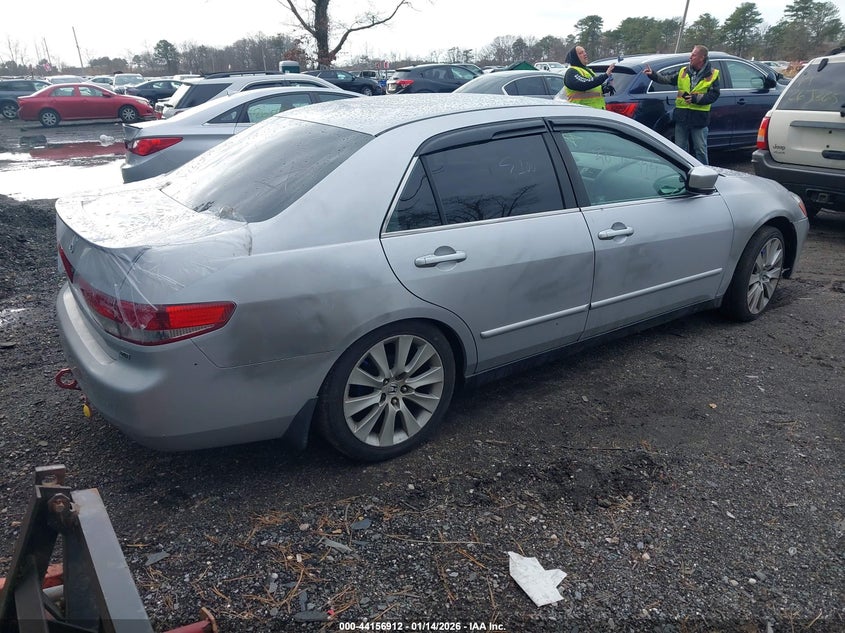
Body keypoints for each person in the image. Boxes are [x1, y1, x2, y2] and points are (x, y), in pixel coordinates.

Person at [644, 45, 720, 164]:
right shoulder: (683, 71)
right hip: (682, 116)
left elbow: (714, 95)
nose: (690, 57)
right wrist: (652, 74)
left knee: (700, 149)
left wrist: (695, 98)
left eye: (694, 55)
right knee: (680, 149)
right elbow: (666, 79)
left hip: (699, 118)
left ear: (702, 58)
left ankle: (705, 173)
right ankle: (683, 172)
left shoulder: (712, 74)